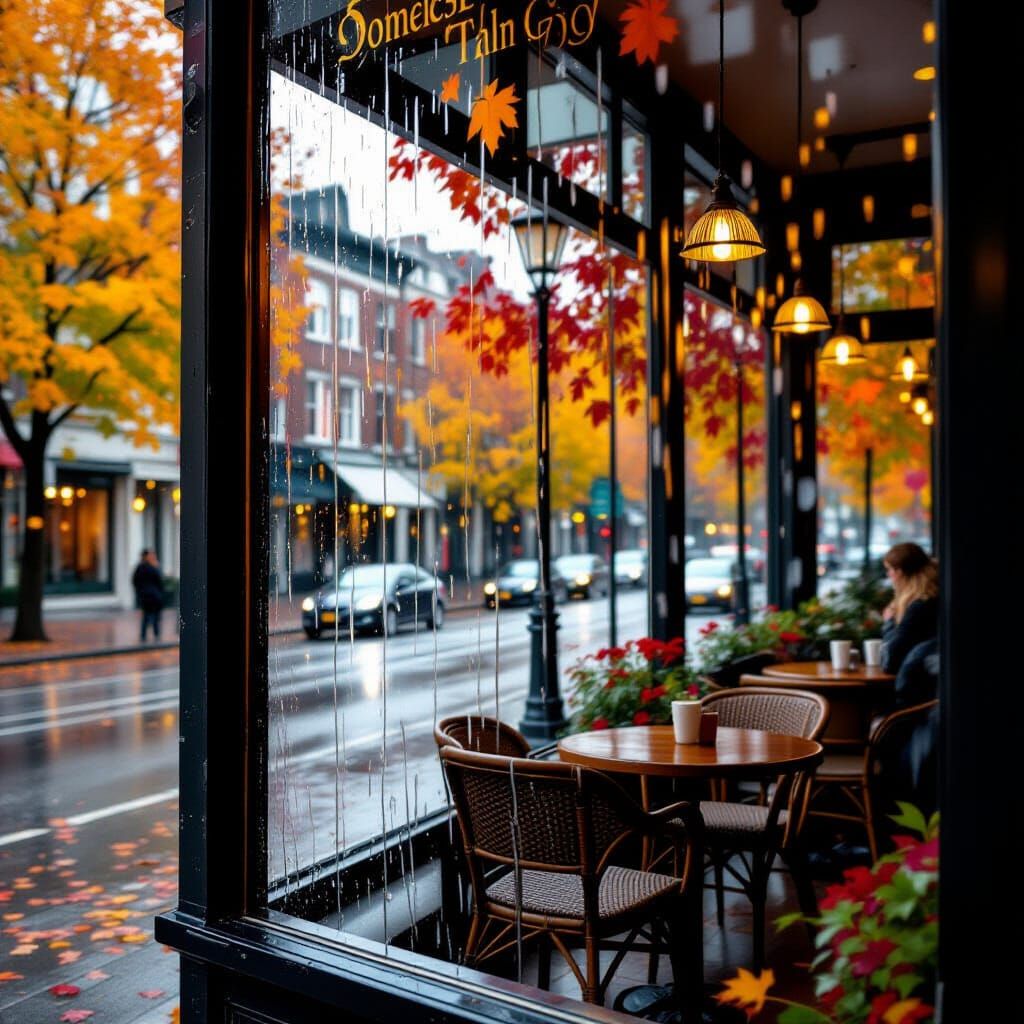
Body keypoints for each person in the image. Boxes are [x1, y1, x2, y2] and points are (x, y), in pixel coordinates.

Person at [880, 542, 938, 676]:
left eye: (889, 569)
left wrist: (889, 622)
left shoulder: (919, 606)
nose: (888, 575)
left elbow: (890, 660)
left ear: (900, 572)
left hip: (918, 689)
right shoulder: (931, 597)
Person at [132, 549, 165, 641]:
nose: (153, 557)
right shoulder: (151, 567)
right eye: (151, 555)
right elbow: (159, 580)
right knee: (152, 616)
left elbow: (135, 581)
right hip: (152, 596)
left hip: (147, 596)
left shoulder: (140, 567)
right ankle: (155, 634)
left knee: (148, 616)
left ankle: (145, 635)